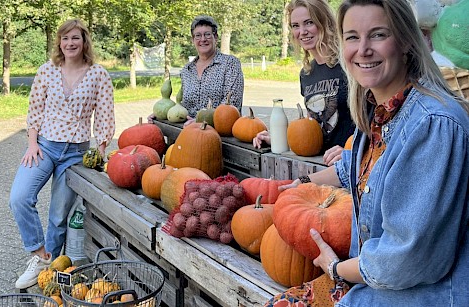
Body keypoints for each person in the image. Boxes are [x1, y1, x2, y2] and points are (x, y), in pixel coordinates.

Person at [264, 0, 469, 306]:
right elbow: (355, 167)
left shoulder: (433, 124)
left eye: (377, 35)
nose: (362, 49)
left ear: (406, 42)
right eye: (352, 37)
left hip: (419, 296)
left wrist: (335, 268)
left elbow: (405, 257)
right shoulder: (378, 110)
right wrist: (304, 183)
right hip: (373, 283)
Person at [9, 19, 115, 289]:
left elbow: (104, 117)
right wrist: (32, 143)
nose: (70, 43)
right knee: (20, 197)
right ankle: (40, 256)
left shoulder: (98, 74)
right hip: (44, 146)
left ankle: (50, 278)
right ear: (59, 42)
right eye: (66, 38)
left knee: (58, 217)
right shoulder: (46, 71)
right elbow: (34, 110)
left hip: (75, 154)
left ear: (84, 42)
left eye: (76, 38)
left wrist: (100, 151)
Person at [253, 0, 354, 166]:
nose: (302, 31)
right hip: (320, 163)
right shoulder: (306, 73)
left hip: (352, 163)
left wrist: (352, 149)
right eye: (295, 25)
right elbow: (315, 126)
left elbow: (374, 119)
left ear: (325, 22)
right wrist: (281, 139)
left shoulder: (349, 64)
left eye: (309, 22)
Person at [148, 15, 244, 126]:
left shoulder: (230, 64)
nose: (203, 39)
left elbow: (232, 103)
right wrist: (163, 112)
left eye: (207, 34)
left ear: (216, 37)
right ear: (193, 40)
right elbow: (185, 105)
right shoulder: (187, 70)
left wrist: (201, 121)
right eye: (198, 36)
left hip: (220, 135)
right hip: (189, 130)